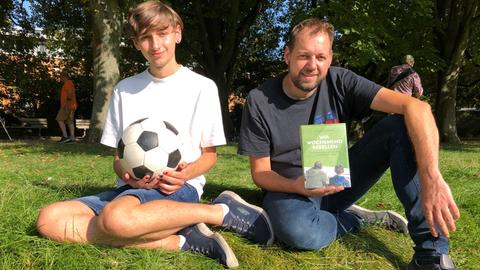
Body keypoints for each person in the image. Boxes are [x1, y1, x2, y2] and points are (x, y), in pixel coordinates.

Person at [36, 1, 273, 268]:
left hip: (178, 187)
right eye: (146, 38)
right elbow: (118, 157)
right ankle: (183, 240)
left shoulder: (202, 87)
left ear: (178, 33)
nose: (156, 45)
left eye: (162, 34)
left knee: (114, 219)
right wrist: (126, 175)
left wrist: (185, 174)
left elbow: (209, 157)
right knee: (49, 220)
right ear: (137, 43)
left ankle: (218, 211)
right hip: (130, 190)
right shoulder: (124, 90)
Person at [238, 18, 459, 270]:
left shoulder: (340, 81)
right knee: (297, 233)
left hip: (339, 179)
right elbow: (261, 173)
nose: (312, 66)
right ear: (287, 55)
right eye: (303, 56)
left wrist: (431, 177)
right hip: (291, 191)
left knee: (400, 126)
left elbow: (417, 107)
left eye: (321, 57)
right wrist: (296, 186)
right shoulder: (259, 99)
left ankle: (431, 254)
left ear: (330, 58)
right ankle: (352, 219)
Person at [56, 70, 77, 143]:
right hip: (72, 106)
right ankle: (72, 138)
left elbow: (70, 93)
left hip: (67, 105)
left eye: (61, 77)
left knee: (59, 119)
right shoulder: (69, 83)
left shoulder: (68, 83)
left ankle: (65, 136)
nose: (60, 78)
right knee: (70, 122)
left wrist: (66, 104)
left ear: (65, 77)